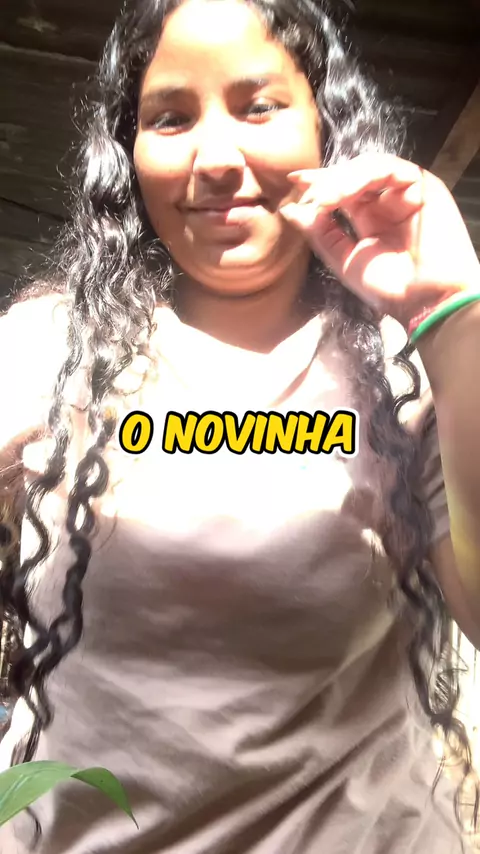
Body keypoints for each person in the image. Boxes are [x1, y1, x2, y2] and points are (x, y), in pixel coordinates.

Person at [0, 0, 480, 851]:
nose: (217, 159)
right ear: (129, 153)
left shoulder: (407, 366)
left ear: (324, 130)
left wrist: (454, 319)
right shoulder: (44, 352)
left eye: (259, 107)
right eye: (170, 118)